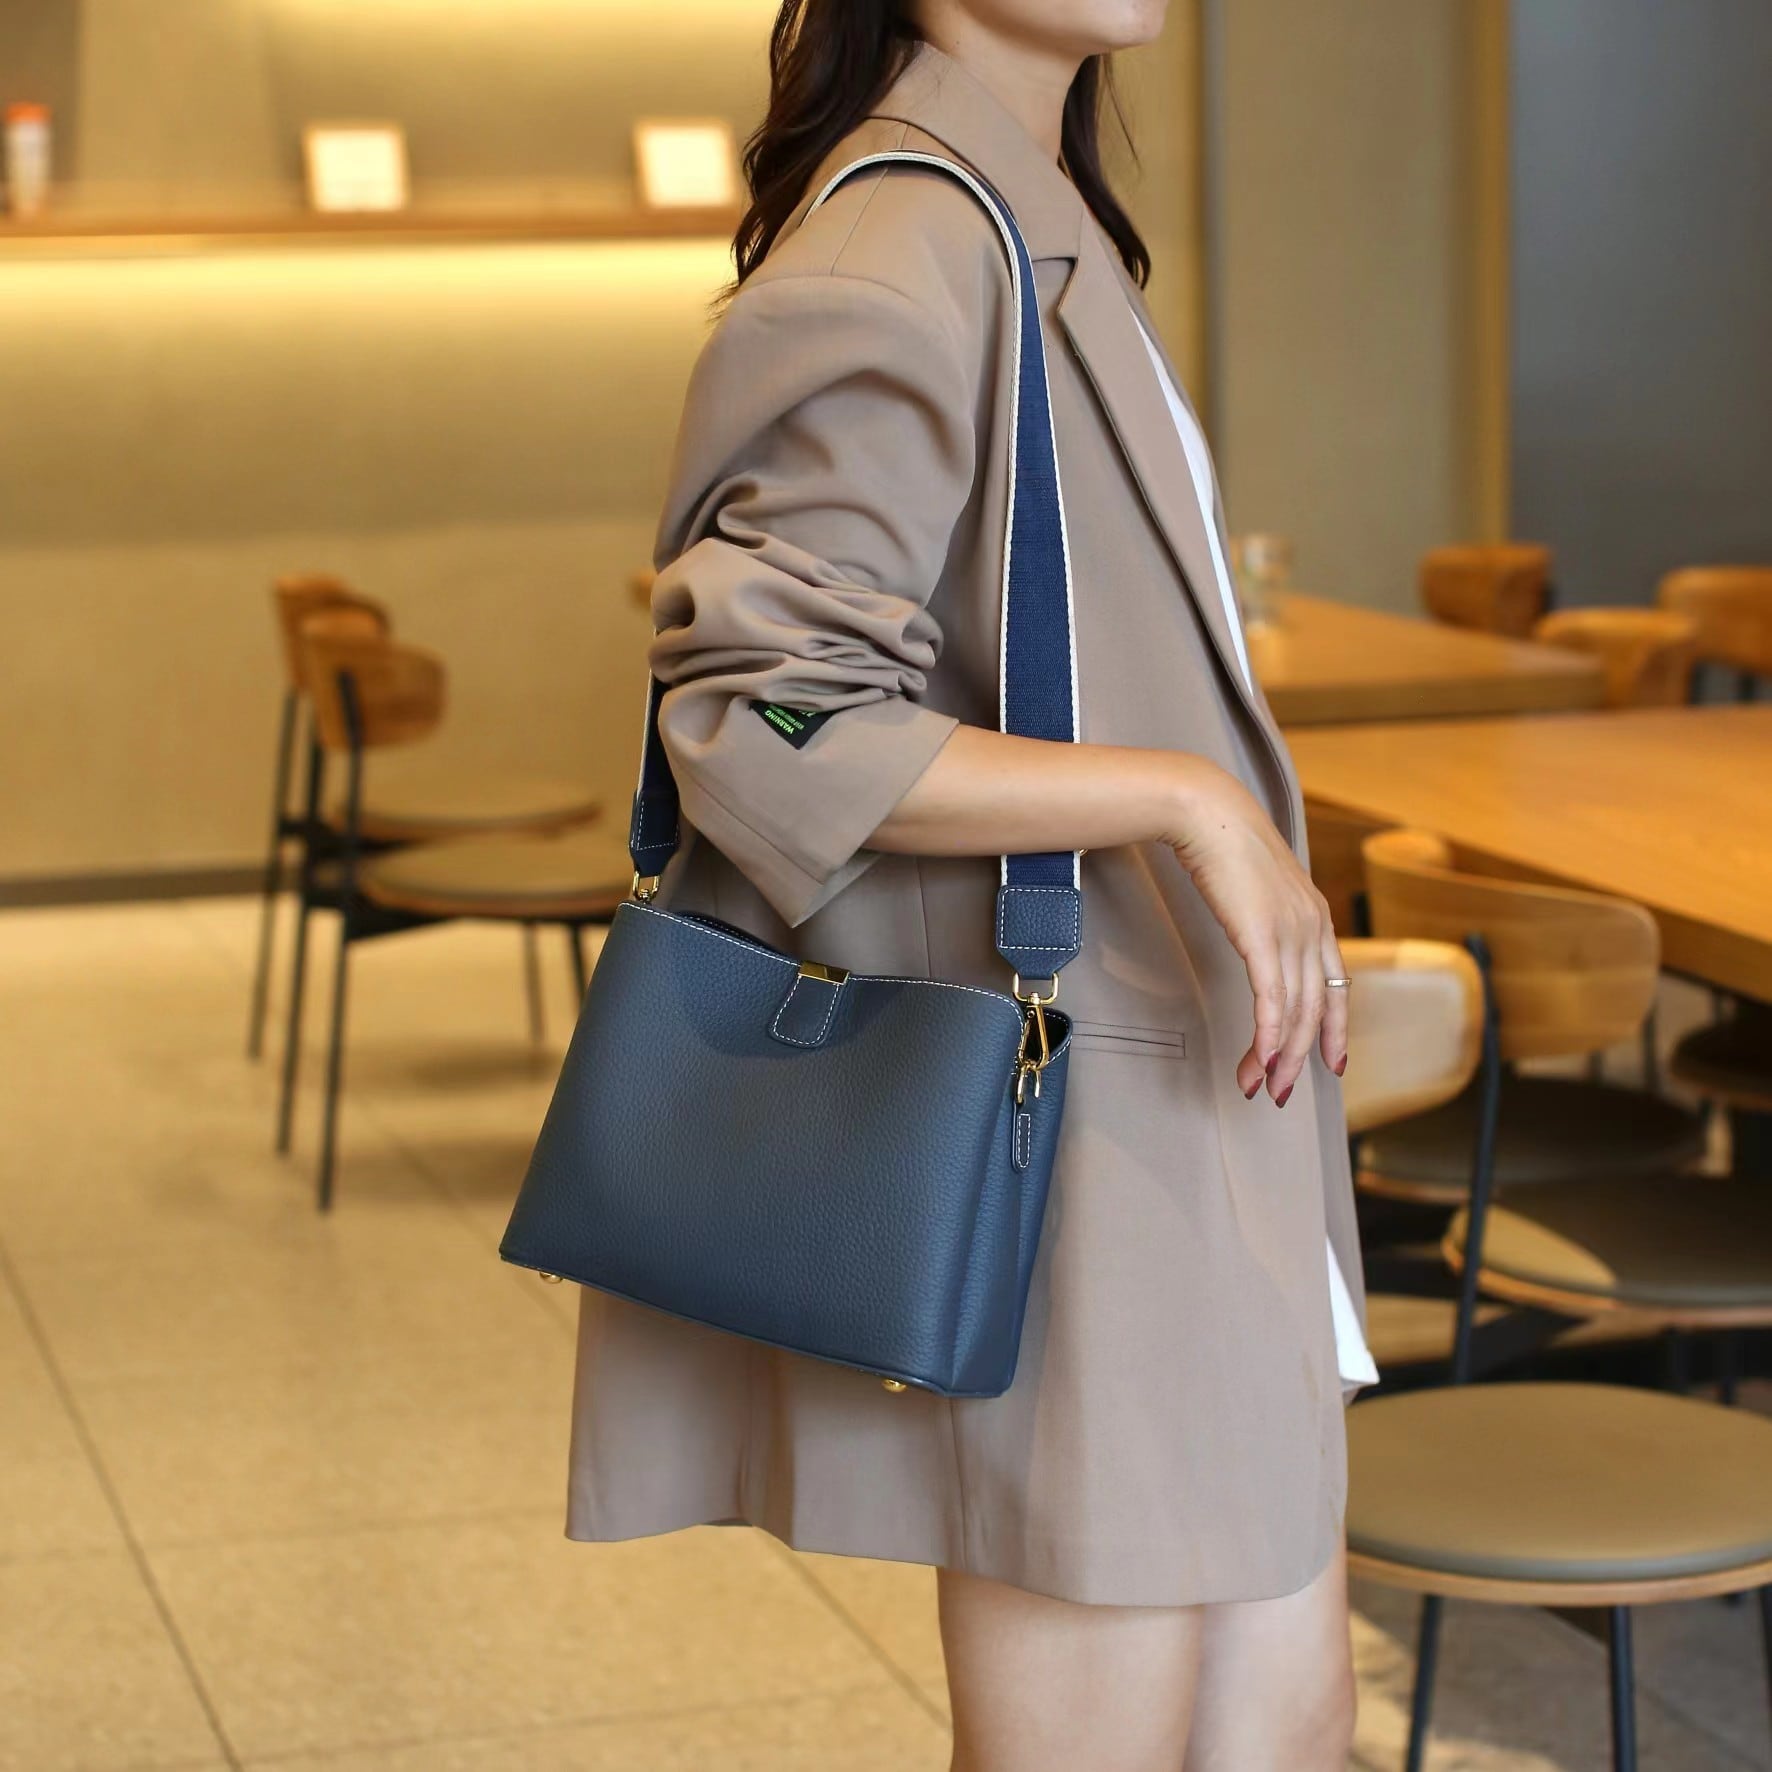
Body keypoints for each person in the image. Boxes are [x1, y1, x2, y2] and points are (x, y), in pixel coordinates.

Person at [565, 3, 1374, 1766]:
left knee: (1282, 1723)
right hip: (1087, 1127)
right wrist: (1182, 800)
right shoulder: (905, 239)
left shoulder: (1023, 213)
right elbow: (766, 712)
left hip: (1192, 1108)